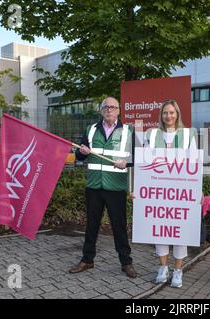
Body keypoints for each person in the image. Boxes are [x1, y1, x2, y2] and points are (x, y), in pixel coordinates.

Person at [69, 96, 137, 278]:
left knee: (119, 226)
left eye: (113, 107)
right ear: (101, 110)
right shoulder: (90, 130)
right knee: (91, 225)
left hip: (115, 187)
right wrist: (81, 152)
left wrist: (127, 163)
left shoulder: (129, 131)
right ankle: (87, 260)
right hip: (94, 186)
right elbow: (79, 156)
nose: (109, 110)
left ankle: (126, 262)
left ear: (119, 110)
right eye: (106, 107)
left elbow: (138, 156)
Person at [145, 99, 198, 288]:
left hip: (180, 191)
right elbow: (145, 163)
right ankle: (163, 267)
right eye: (165, 113)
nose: (169, 116)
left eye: (172, 112)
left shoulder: (187, 134)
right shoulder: (152, 135)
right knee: (161, 230)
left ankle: (177, 270)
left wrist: (195, 191)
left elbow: (193, 164)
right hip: (158, 191)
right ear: (161, 115)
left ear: (177, 114)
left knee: (179, 232)